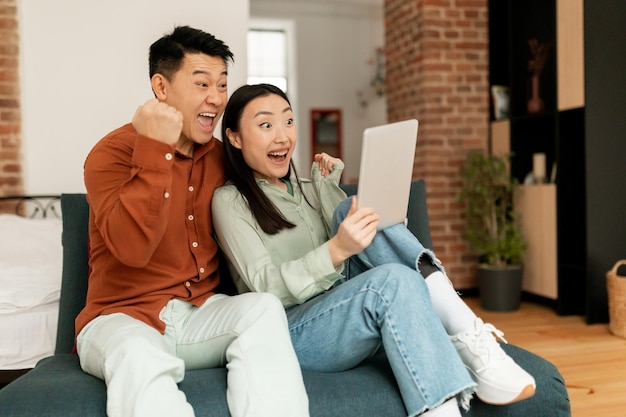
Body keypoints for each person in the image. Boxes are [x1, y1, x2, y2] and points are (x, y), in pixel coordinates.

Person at [212, 84, 536, 417]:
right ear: (235, 138)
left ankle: (468, 333)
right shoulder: (230, 200)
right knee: (387, 275)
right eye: (266, 125)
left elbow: (364, 242)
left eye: (288, 122)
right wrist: (336, 249)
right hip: (290, 330)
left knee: (357, 214)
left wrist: (327, 189)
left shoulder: (310, 188)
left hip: (344, 311)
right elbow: (265, 289)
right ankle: (461, 339)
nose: (282, 136)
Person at [76, 29, 309, 417]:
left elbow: (275, 189)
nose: (216, 98)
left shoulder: (221, 158)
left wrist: (321, 180)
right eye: (202, 83)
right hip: (120, 318)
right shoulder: (109, 154)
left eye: (221, 84)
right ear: (161, 87)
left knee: (263, 309)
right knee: (139, 355)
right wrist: (155, 148)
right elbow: (132, 250)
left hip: (201, 313)